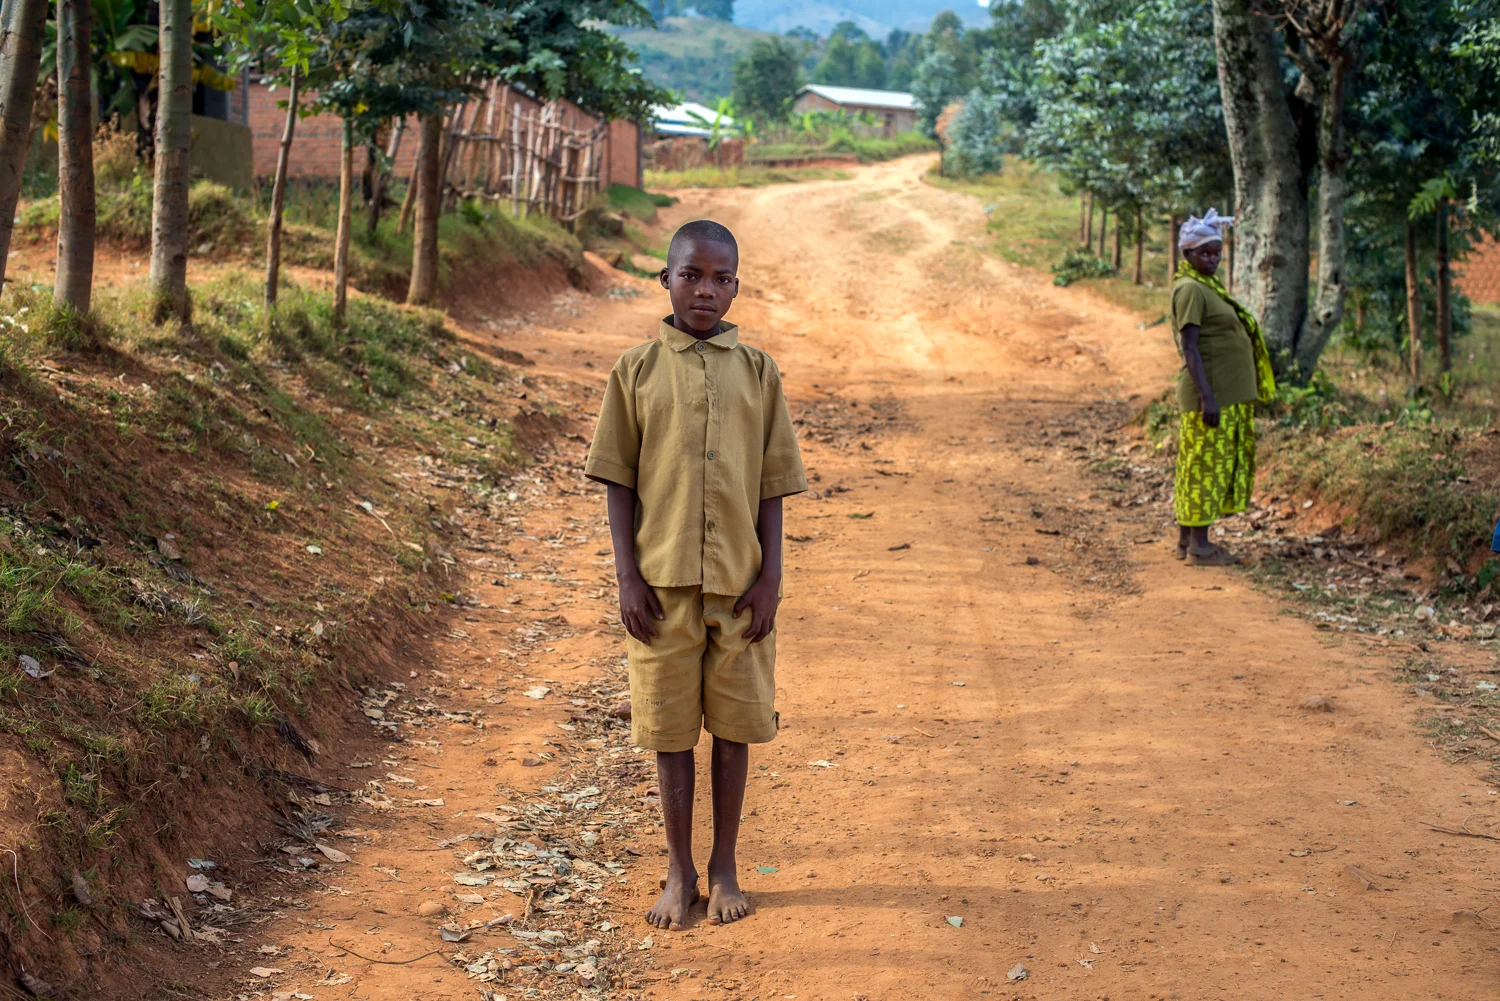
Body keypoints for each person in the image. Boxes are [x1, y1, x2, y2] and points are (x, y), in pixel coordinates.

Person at [585, 219, 806, 930]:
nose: (705, 290)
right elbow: (618, 478)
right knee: (671, 731)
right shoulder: (636, 370)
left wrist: (771, 577)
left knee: (734, 727)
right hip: (661, 585)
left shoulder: (759, 372)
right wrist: (627, 576)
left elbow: (772, 483)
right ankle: (679, 869)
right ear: (666, 280)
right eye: (691, 275)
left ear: (737, 286)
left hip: (741, 588)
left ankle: (725, 864)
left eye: (720, 278)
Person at [1171, 209, 1276, 565]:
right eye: (1205, 253)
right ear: (1187, 254)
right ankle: (1200, 547)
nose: (1212, 259)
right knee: (1205, 467)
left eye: (1216, 253)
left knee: (1200, 464)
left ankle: (1188, 542)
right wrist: (1207, 397)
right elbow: (1189, 347)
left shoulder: (1204, 286)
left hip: (1221, 394)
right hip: (1210, 396)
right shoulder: (1189, 290)